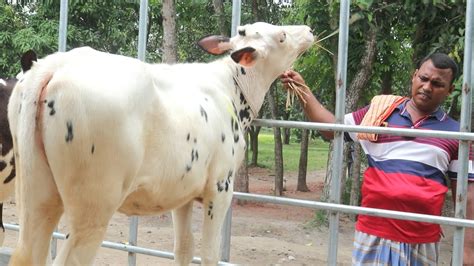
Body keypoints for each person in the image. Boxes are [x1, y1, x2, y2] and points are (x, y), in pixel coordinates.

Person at [280, 52, 474, 265]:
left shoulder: (458, 135)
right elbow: (331, 129)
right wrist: (302, 89)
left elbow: (467, 197)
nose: (427, 87)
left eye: (437, 83)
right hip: (373, 232)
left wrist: (467, 253)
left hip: (421, 239)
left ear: (450, 90)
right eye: (424, 78)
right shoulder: (379, 112)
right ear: (414, 76)